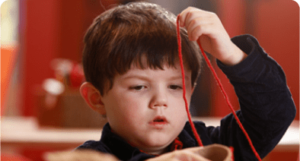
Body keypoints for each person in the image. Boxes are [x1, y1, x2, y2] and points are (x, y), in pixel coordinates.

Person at [77, 2, 296, 161]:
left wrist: (232, 55)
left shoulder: (212, 146)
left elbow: (274, 115)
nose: (160, 101)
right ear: (97, 99)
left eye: (175, 86)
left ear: (190, 90)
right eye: (139, 86)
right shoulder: (90, 159)